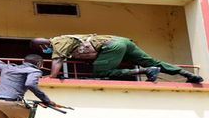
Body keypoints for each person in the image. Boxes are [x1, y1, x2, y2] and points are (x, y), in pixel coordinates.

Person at [30, 34, 203, 83]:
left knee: (101, 71)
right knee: (153, 61)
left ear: (41, 46)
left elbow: (58, 61)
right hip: (122, 41)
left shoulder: (57, 42)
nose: (45, 51)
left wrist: (52, 77)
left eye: (41, 49)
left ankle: (145, 71)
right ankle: (187, 74)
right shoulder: (64, 40)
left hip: (112, 46)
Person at [0, 54, 57, 118]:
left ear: (23, 61)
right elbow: (30, 84)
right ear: (39, 64)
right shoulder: (34, 71)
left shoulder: (8, 67)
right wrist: (47, 100)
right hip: (9, 101)